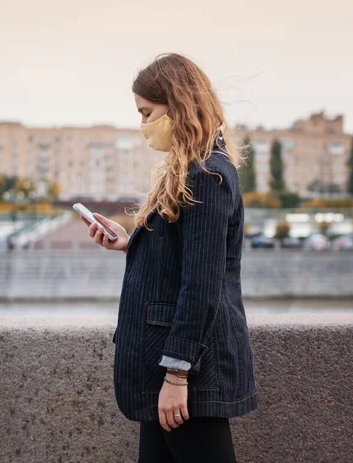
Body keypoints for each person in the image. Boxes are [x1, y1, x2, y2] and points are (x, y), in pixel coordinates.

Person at [81, 53, 258, 463]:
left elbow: (202, 284)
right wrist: (130, 243)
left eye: (147, 113)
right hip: (167, 365)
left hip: (187, 373)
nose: (143, 125)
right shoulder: (192, 170)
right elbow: (184, 256)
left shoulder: (207, 176)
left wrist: (177, 375)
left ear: (177, 105)